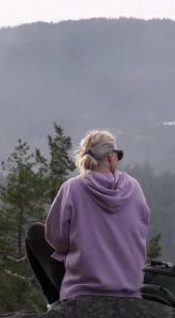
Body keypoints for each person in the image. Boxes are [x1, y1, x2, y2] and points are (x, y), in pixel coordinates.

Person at [25, 129, 150, 308]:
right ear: (109, 158)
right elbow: (141, 230)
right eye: (118, 154)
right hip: (129, 289)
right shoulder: (134, 188)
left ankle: (55, 306)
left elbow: (57, 240)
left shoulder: (72, 188)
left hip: (83, 290)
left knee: (33, 233)